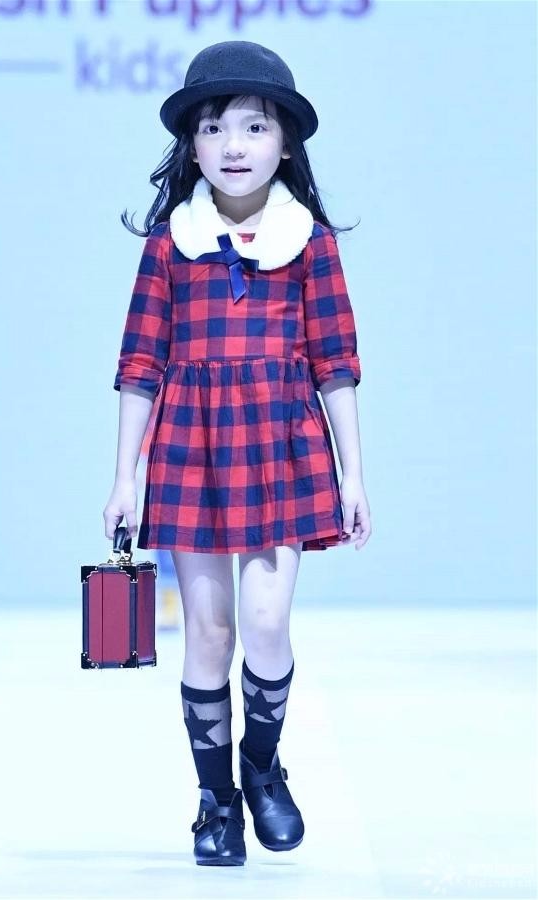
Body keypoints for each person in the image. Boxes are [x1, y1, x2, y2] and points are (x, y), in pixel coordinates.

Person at [103, 40, 372, 867]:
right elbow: (140, 365)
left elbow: (336, 362)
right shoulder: (169, 246)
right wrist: (124, 477)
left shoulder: (308, 243)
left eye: (254, 127)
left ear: (285, 143)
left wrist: (355, 475)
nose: (233, 144)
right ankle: (215, 801)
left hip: (281, 450)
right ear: (192, 145)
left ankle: (262, 765)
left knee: (265, 622)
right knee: (210, 634)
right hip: (190, 449)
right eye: (214, 127)